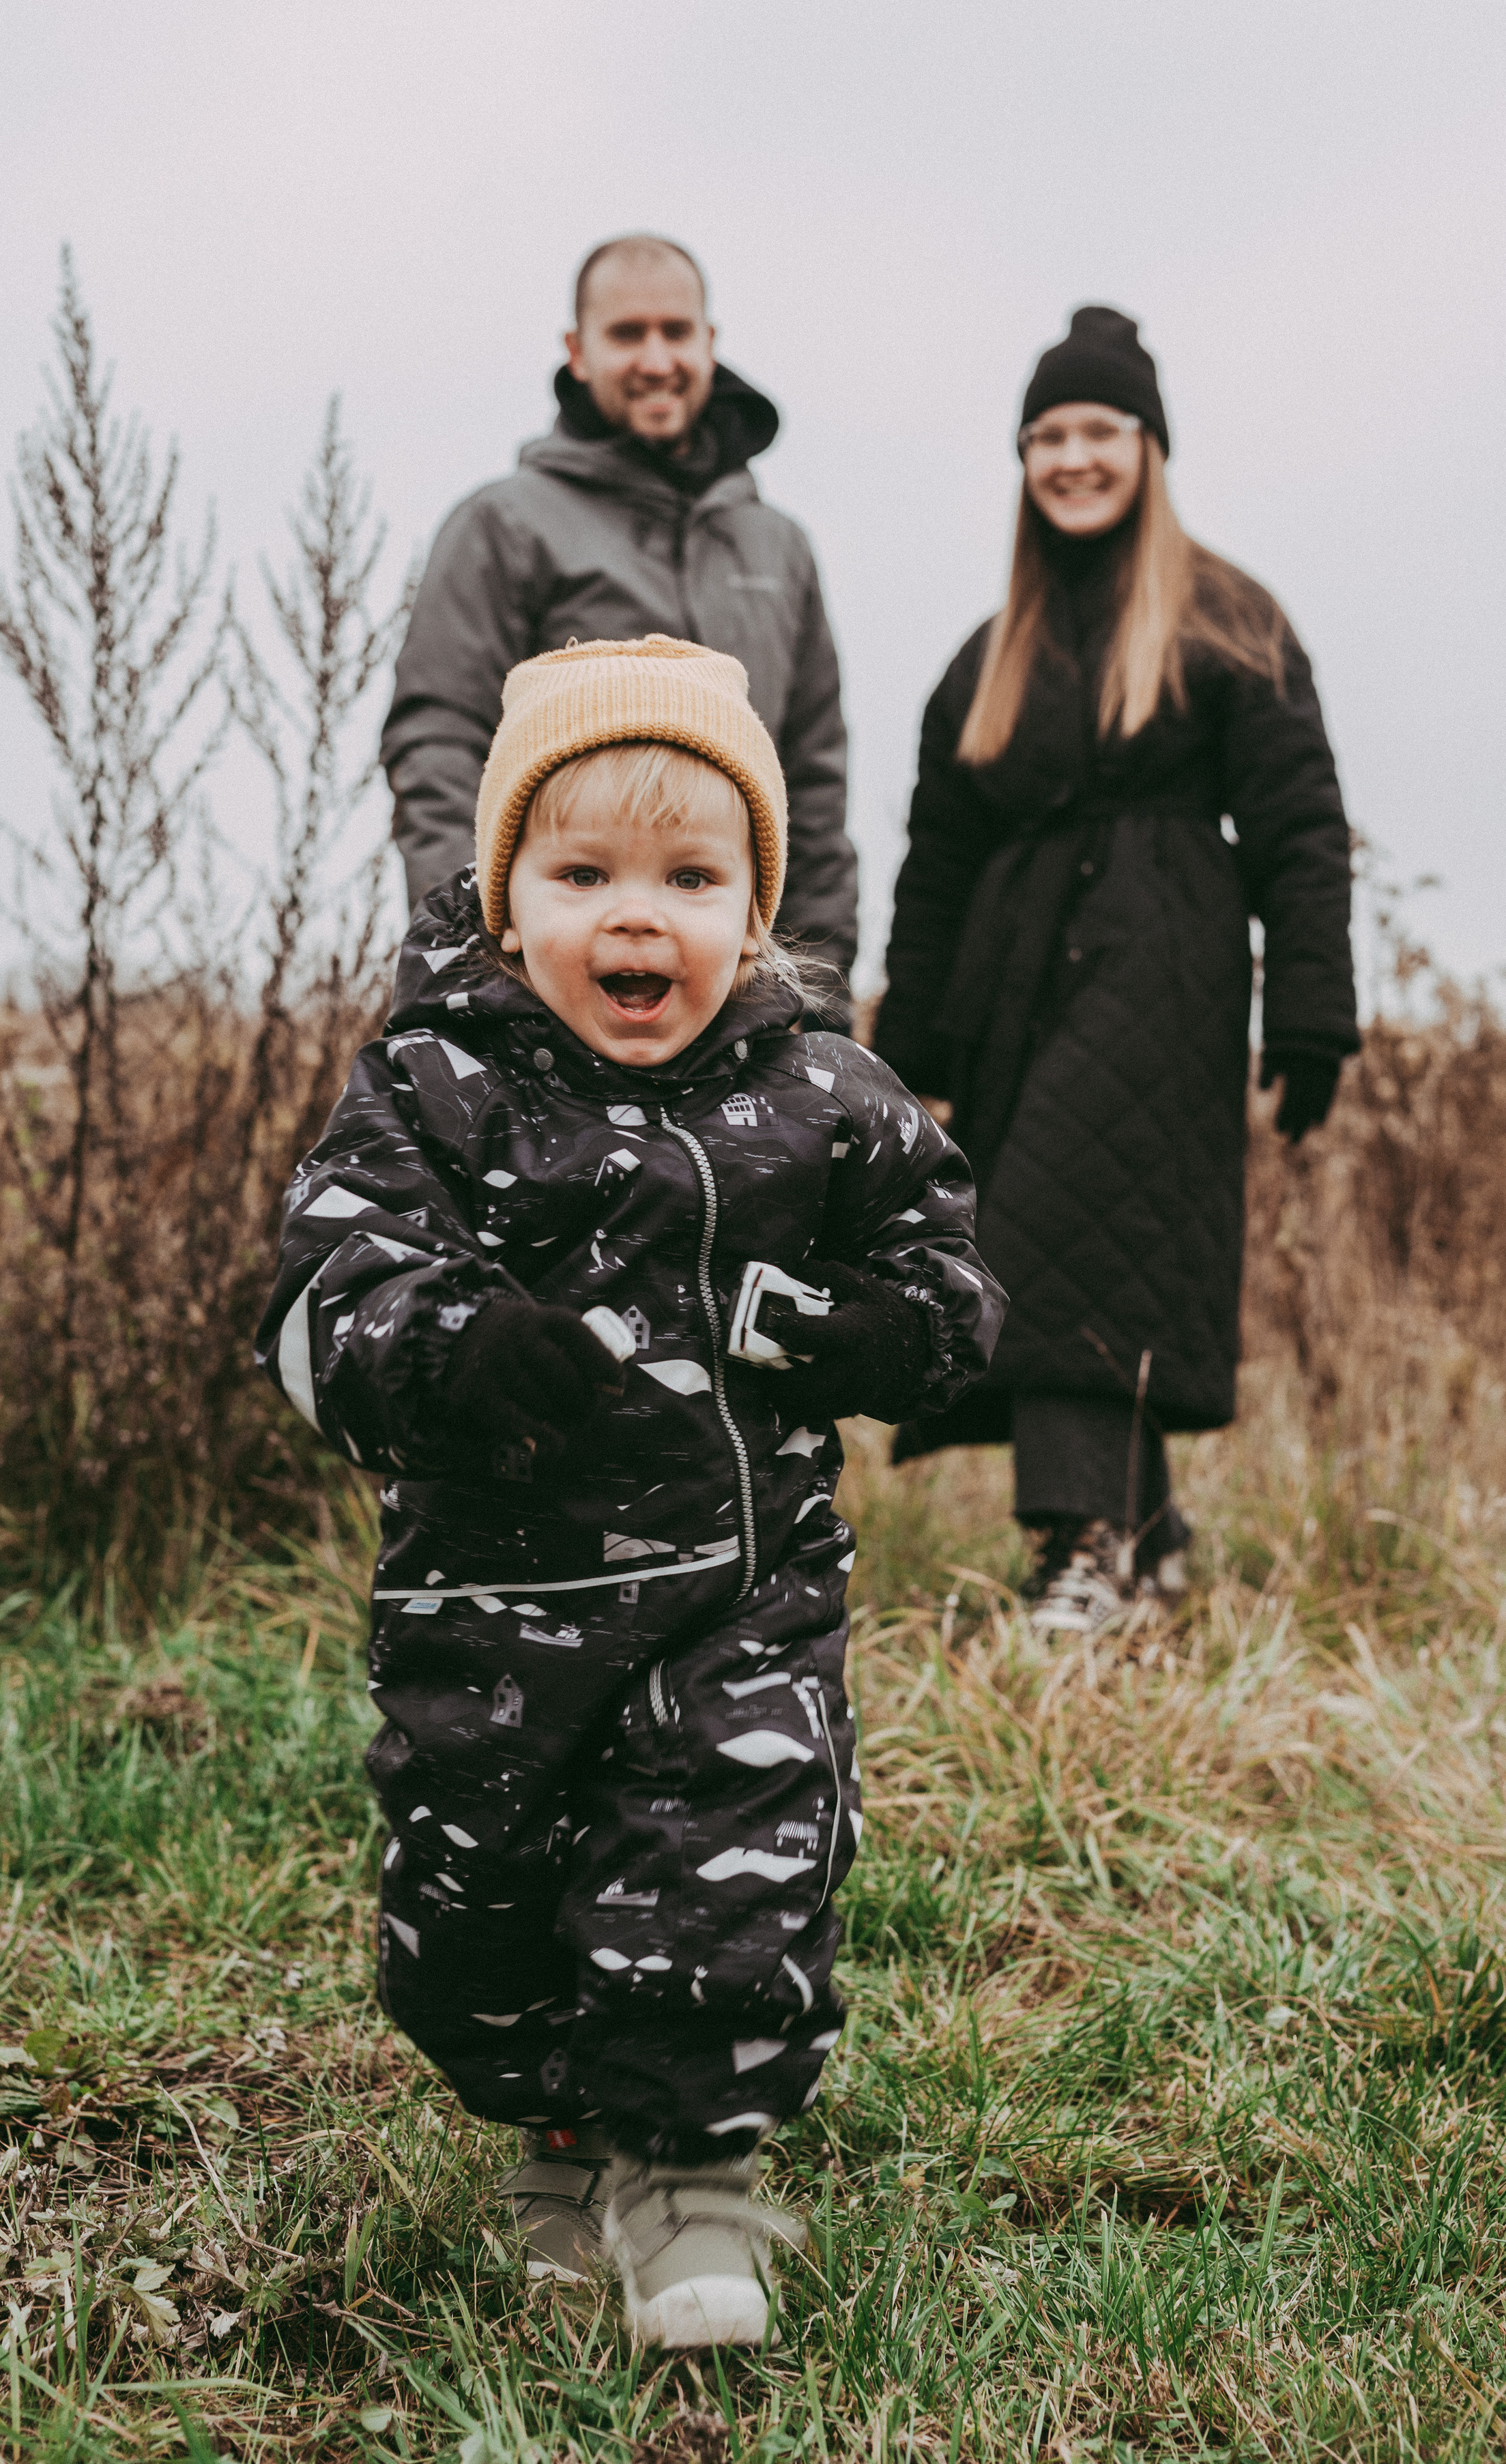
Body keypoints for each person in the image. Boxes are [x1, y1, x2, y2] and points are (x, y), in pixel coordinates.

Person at [258, 635, 1002, 2345]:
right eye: (582, 872)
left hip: (737, 1596)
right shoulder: (437, 1087)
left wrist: (877, 1329)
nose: (635, 918)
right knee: (480, 1913)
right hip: (489, 1613)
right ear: (507, 896)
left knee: (724, 1871)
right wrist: (449, 1342)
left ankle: (692, 2181)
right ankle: (554, 2132)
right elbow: (315, 1303)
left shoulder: (821, 1090)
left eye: (687, 875)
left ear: (752, 910)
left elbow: (951, 1282)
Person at [874, 306, 1357, 1637]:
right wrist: (909, 1038)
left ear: (1148, 448)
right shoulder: (986, 659)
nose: (1069, 457)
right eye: (1044, 435)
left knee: (1046, 1249)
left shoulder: (1226, 622)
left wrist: (1310, 1013)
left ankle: (1078, 1558)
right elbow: (936, 855)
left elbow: (1296, 826)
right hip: (1010, 986)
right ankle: (1144, 1550)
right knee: (1091, 1255)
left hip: (1164, 974)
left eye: (1096, 430)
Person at [380, 233, 859, 1020]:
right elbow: (438, 749)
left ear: (710, 343)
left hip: (735, 999)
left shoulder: (779, 546)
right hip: (549, 992)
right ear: (577, 351)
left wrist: (820, 992)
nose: (655, 357)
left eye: (676, 332)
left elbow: (811, 781)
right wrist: (481, 961)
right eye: (626, 334)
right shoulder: (503, 525)